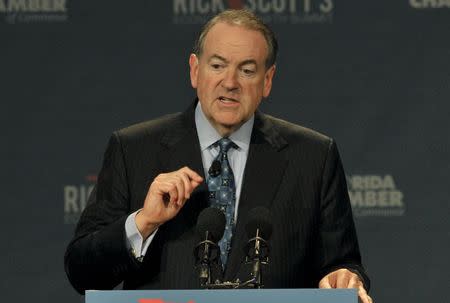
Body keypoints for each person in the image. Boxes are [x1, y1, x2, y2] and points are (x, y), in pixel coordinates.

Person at [65, 9, 372, 303]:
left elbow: (341, 265)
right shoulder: (133, 150)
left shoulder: (314, 157)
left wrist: (344, 278)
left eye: (247, 70)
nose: (230, 82)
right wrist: (143, 223)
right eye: (217, 65)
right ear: (195, 70)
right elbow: (82, 272)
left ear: (267, 80)